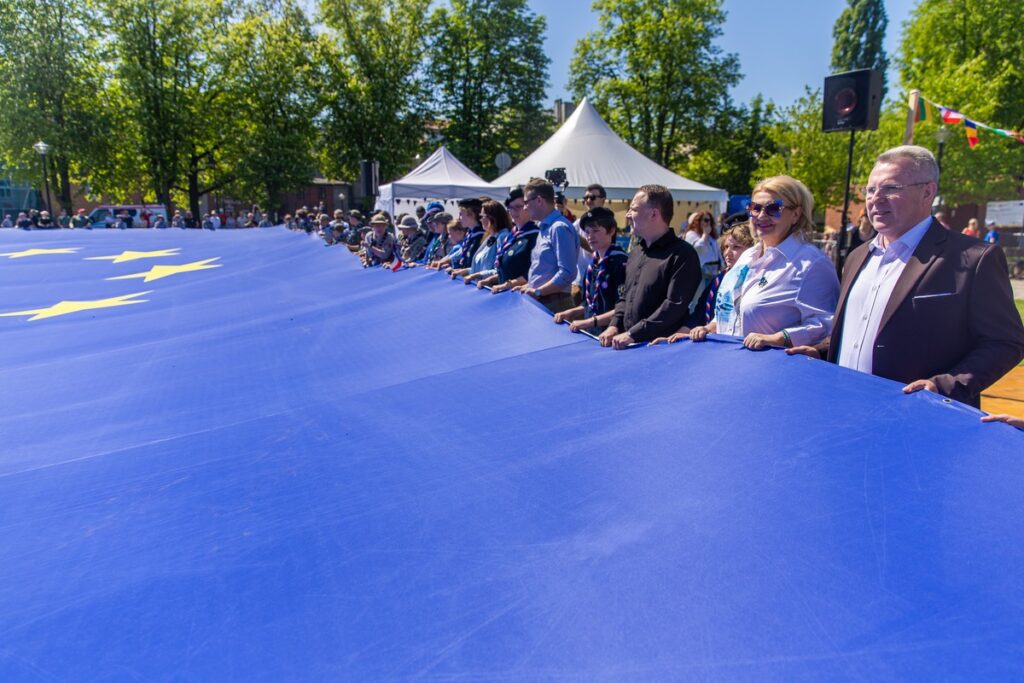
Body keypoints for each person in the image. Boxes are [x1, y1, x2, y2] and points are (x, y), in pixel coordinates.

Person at [787, 145, 1024, 407]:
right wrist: (821, 352)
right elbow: (860, 330)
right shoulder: (856, 257)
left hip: (919, 422)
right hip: (846, 409)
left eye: (891, 188)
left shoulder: (974, 259)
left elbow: (1005, 342)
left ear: (927, 192)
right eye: (871, 189)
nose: (876, 199)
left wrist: (944, 385)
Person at [689, 176, 839, 351]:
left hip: (774, 370)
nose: (761, 216)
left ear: (796, 214)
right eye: (755, 208)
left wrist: (778, 338)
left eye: (774, 209)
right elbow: (734, 311)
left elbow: (826, 323)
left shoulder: (811, 263)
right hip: (727, 364)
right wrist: (708, 328)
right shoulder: (747, 256)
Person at [597, 184, 702, 349]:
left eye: (634, 209)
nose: (628, 215)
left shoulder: (683, 254)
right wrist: (614, 325)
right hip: (629, 346)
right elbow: (626, 297)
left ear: (654, 214)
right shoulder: (636, 252)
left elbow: (674, 305)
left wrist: (633, 334)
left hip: (663, 351)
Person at [651, 222, 757, 344]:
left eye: (736, 247)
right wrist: (673, 338)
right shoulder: (719, 280)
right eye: (726, 247)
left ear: (752, 249)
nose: (728, 253)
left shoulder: (755, 281)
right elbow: (699, 315)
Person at [554, 207, 628, 333]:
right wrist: (572, 312)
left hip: (612, 334)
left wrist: (589, 321)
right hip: (593, 332)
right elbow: (590, 304)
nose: (590, 236)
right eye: (587, 232)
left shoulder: (622, 263)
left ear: (611, 231)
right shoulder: (593, 265)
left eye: (595, 231)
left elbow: (624, 307)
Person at [511, 178, 579, 313]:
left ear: (539, 200)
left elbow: (567, 273)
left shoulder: (559, 228)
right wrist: (528, 286)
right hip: (545, 300)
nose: (524, 207)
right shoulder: (546, 227)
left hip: (555, 303)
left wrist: (537, 291)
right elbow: (545, 271)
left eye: (526, 202)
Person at [480, 188, 540, 291]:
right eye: (510, 207)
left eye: (517, 207)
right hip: (506, 294)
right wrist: (489, 280)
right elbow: (505, 269)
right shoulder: (512, 235)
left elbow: (533, 273)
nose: (513, 211)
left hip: (522, 296)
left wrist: (506, 285)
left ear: (527, 207)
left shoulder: (535, 236)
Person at [456, 200, 512, 285]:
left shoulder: (503, 237)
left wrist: (476, 275)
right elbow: (480, 267)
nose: (480, 220)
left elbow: (499, 271)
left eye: (482, 216)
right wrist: (465, 271)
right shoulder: (490, 236)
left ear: (492, 218)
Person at [443, 197, 485, 273]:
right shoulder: (470, 233)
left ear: (471, 214)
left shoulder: (480, 236)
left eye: (461, 214)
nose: (459, 218)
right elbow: (462, 252)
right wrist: (450, 263)